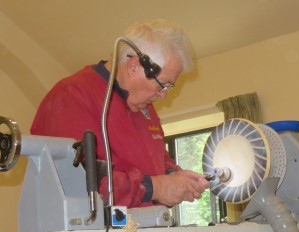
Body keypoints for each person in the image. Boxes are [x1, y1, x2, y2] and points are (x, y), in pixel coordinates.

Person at [31, 20, 209, 208]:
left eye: (169, 87)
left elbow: (156, 157)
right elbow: (77, 180)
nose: (163, 95)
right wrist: (154, 188)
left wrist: (174, 174)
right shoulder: (71, 96)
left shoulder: (142, 104)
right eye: (162, 84)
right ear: (134, 66)